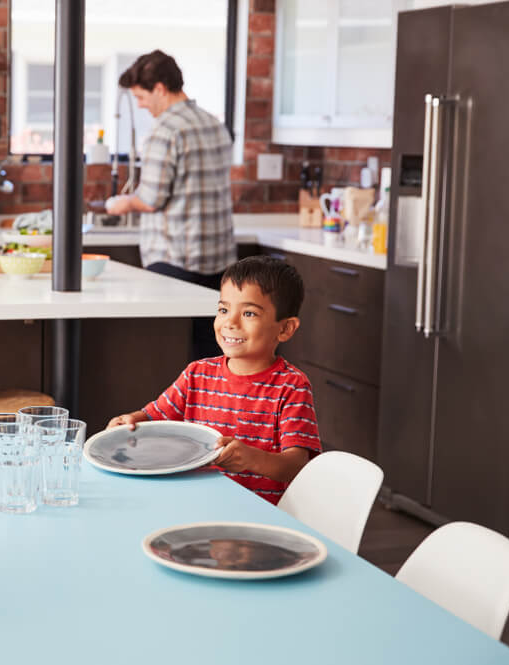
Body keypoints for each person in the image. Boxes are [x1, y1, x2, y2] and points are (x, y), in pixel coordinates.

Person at [107, 256, 321, 504]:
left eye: (249, 313)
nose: (230, 322)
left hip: (256, 517)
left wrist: (252, 458)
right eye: (223, 309)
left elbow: (296, 465)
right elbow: (153, 417)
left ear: (285, 329)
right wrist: (131, 420)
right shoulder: (197, 374)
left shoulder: (292, 386)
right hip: (193, 504)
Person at [106, 49, 235, 359]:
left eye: (141, 96)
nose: (140, 105)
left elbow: (151, 199)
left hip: (175, 261)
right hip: (218, 262)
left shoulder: (165, 130)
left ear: (160, 89)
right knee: (212, 356)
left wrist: (120, 203)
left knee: (170, 356)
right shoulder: (214, 124)